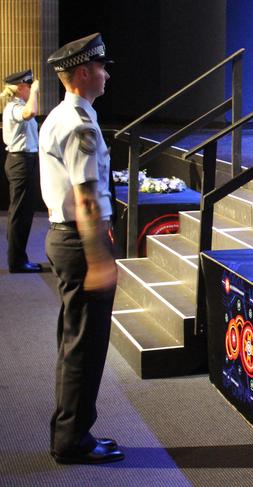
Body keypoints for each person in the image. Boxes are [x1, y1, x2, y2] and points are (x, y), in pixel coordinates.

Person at [39, 33, 124, 464]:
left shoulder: (61, 115)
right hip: (79, 240)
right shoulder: (80, 124)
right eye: (102, 68)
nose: (107, 75)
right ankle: (73, 440)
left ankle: (69, 430)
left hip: (67, 236)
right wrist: (98, 258)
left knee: (75, 341)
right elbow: (87, 195)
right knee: (86, 346)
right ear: (84, 72)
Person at [2, 69, 43, 273]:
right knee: (20, 213)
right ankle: (17, 261)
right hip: (20, 162)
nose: (32, 90)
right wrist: (34, 92)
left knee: (23, 212)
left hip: (25, 161)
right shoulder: (14, 107)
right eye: (29, 86)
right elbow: (30, 113)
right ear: (20, 87)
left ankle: (18, 258)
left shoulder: (16, 106)